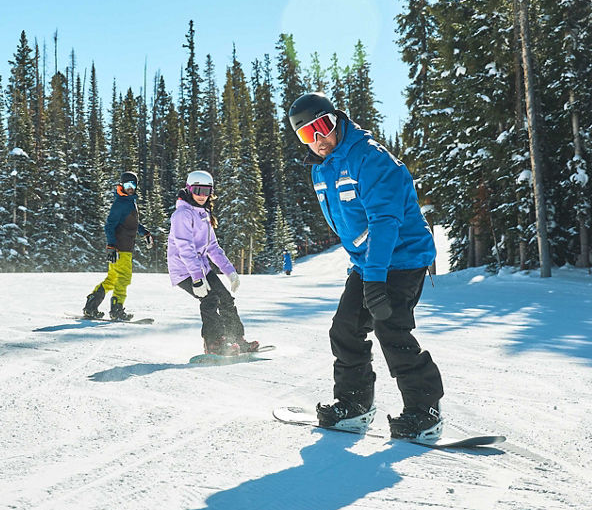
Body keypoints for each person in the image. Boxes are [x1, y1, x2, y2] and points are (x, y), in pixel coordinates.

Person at [287, 92, 443, 442]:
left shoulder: (370, 159)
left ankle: (425, 411)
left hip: (402, 258)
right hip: (369, 262)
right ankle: (354, 405)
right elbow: (351, 224)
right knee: (344, 328)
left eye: (322, 127)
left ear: (336, 119)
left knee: (391, 328)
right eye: (306, 135)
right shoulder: (323, 169)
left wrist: (374, 279)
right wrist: (363, 270)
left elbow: (385, 221)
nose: (318, 139)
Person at [167, 169, 258, 355]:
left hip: (201, 268)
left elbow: (213, 248)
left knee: (226, 299)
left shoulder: (204, 213)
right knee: (209, 299)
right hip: (184, 270)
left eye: (206, 191)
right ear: (189, 189)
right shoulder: (182, 215)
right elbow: (185, 248)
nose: (201, 195)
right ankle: (214, 343)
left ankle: (236, 339)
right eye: (197, 190)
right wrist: (197, 278)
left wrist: (230, 272)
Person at [83, 171, 154, 321]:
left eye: (133, 185)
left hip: (123, 248)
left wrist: (144, 233)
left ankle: (91, 305)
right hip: (121, 249)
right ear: (122, 185)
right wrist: (111, 246)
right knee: (124, 278)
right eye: (127, 185)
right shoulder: (121, 203)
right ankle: (117, 309)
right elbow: (109, 226)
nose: (130, 188)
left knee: (112, 279)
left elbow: (132, 223)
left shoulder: (129, 202)